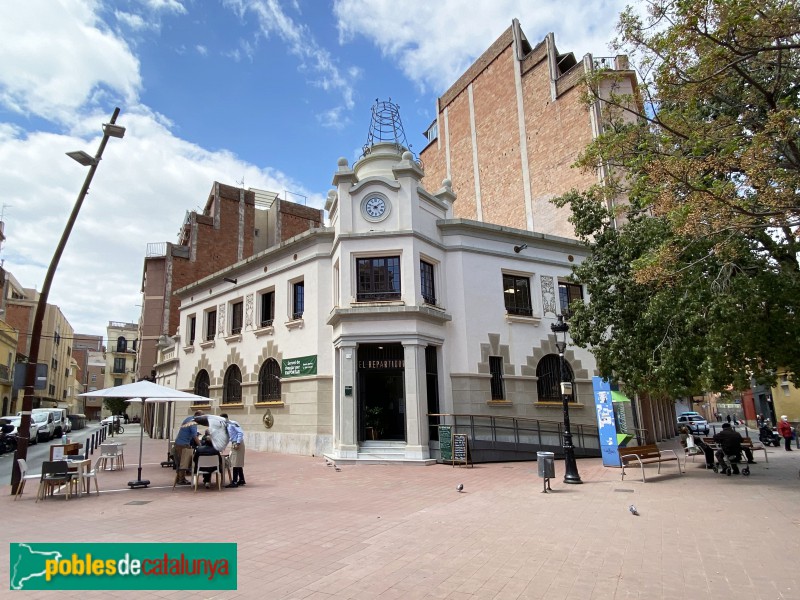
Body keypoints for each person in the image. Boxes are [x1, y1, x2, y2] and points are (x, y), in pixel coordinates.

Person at [173, 410, 203, 485]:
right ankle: (181, 480)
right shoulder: (193, 423)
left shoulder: (189, 419)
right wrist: (201, 446)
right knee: (184, 462)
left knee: (180, 462)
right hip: (183, 444)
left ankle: (179, 478)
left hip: (179, 443)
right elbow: (194, 436)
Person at [220, 413, 246, 488]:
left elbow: (240, 432)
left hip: (238, 444)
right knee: (237, 462)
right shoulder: (226, 426)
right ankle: (241, 479)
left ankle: (234, 481)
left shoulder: (233, 423)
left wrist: (237, 443)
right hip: (234, 443)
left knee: (235, 462)